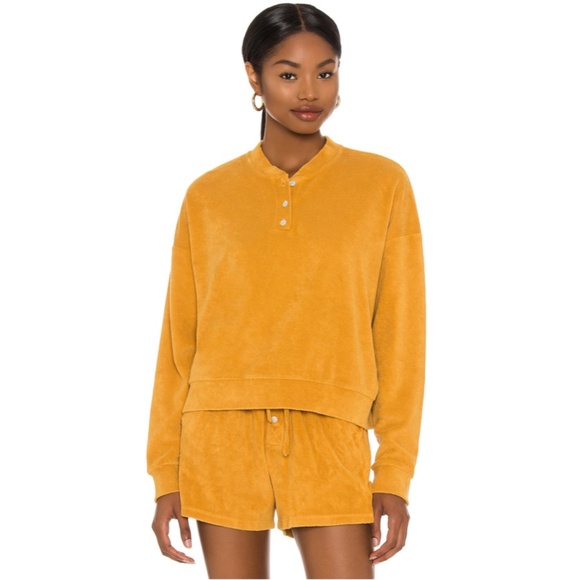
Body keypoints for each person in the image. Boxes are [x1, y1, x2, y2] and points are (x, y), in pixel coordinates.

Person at [147, 3, 426, 578]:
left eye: (325, 72)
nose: (310, 91)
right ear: (254, 77)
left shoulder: (382, 185)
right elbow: (178, 345)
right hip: (220, 434)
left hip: (333, 433)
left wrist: (394, 475)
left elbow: (401, 339)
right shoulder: (208, 196)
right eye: (288, 73)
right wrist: (166, 472)